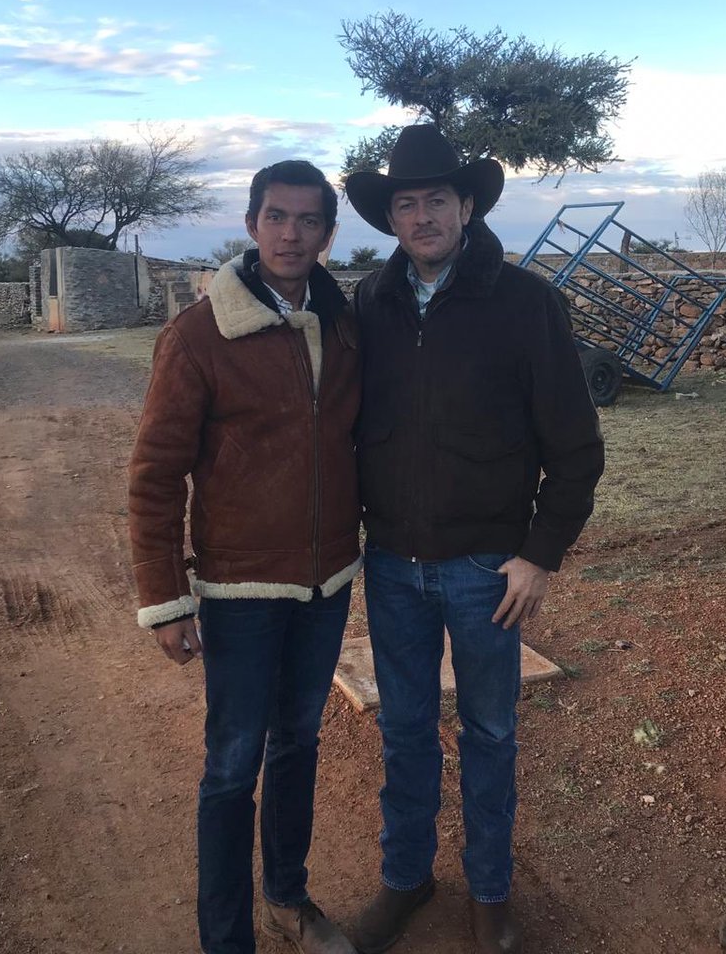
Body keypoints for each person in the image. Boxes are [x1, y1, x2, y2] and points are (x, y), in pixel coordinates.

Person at [345, 125, 605, 954]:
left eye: (435, 199)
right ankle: (406, 879)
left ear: (466, 205)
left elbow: (575, 446)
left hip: (487, 570)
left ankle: (490, 892)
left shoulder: (526, 303)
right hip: (391, 565)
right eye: (405, 203)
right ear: (391, 217)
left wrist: (539, 554)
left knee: (491, 735)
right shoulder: (369, 305)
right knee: (406, 731)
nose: (421, 215)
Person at [129, 160, 361, 954]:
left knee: (300, 742)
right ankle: (225, 938)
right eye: (276, 217)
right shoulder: (198, 335)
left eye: (308, 220)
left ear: (328, 234)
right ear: (252, 224)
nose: (291, 233)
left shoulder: (343, 323)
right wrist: (166, 597)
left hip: (326, 581)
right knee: (232, 766)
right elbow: (156, 474)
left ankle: (288, 901)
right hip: (238, 589)